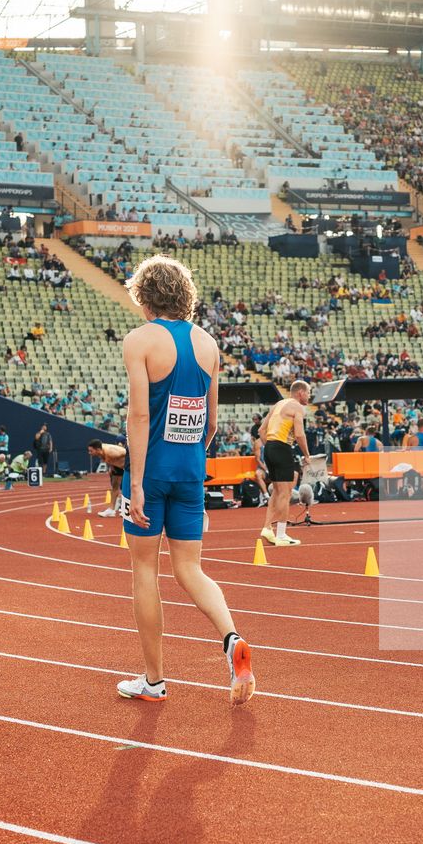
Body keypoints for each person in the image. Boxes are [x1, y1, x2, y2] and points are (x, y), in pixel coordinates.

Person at [115, 254, 253, 706]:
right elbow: (212, 423)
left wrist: (135, 483)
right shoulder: (209, 344)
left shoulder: (139, 341)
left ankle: (154, 682)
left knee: (145, 570)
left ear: (144, 294)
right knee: (190, 568)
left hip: (150, 472)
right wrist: (189, 457)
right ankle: (232, 638)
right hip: (191, 471)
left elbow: (138, 414)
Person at [256, 380, 311, 547]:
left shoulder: (278, 405)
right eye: (308, 392)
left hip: (270, 447)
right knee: (285, 493)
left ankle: (267, 527)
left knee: (277, 491)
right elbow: (300, 435)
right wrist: (307, 455)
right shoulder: (297, 407)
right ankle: (281, 535)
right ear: (300, 393)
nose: (309, 396)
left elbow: (261, 431)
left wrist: (271, 448)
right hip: (282, 448)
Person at [86, 439, 128, 517]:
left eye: (91, 451)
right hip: (117, 466)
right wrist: (111, 467)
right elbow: (107, 459)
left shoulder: (112, 452)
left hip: (128, 466)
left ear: (97, 449)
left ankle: (126, 509)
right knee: (115, 487)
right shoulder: (100, 452)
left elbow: (127, 453)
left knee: (128, 487)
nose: (89, 453)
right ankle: (111, 510)